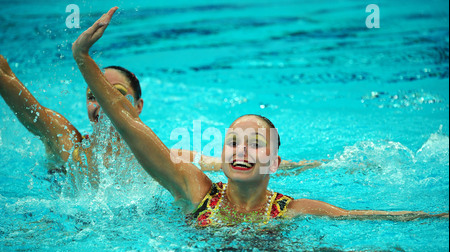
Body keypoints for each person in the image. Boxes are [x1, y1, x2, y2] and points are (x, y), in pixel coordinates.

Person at [69, 7, 449, 226]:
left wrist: (438, 217)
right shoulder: (194, 189)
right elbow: (129, 126)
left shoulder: (292, 210)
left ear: (275, 163)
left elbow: (359, 216)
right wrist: (83, 59)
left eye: (255, 144)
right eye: (234, 141)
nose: (241, 149)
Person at [0, 57, 320, 185]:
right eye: (93, 96)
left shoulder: (155, 156)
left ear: (138, 107)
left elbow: (218, 162)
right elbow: (11, 84)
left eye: (116, 94)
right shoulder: (67, 143)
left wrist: (308, 165)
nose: (104, 104)